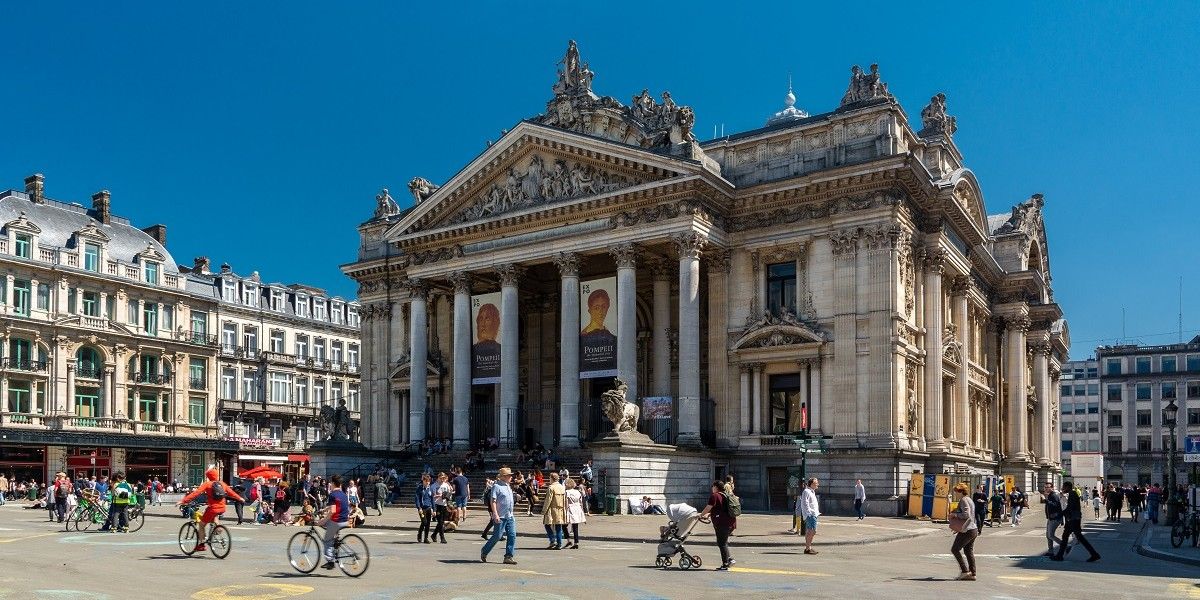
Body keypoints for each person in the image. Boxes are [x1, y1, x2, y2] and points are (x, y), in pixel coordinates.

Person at [178, 468, 244, 553]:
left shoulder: (207, 484)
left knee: (201, 524)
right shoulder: (222, 484)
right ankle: (218, 529)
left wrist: (184, 501)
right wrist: (240, 498)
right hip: (222, 507)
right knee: (215, 518)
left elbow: (196, 493)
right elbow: (231, 492)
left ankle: (202, 545)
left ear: (208, 476)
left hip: (213, 508)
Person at [1051, 479, 1100, 563]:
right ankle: (1060, 555)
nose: (1062, 488)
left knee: (1078, 537)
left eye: (1063, 487)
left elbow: (1071, 507)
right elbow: (1070, 507)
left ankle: (1094, 554)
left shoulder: (1072, 494)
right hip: (1072, 519)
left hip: (1073, 519)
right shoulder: (1072, 494)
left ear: (1067, 487)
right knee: (1066, 536)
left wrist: (1060, 514)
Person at [481, 467, 518, 565]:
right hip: (500, 516)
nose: (511, 477)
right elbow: (493, 501)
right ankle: (484, 551)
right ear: (504, 477)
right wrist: (495, 514)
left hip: (509, 515)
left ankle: (508, 556)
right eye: (509, 475)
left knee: (512, 535)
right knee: (497, 536)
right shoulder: (496, 486)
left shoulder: (508, 486)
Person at [699, 480, 737, 570]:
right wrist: (709, 515)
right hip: (731, 522)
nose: (712, 488)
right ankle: (729, 559)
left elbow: (709, 507)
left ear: (715, 487)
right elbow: (720, 509)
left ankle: (725, 564)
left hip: (722, 523)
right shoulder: (726, 495)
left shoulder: (715, 496)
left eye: (713, 486)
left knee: (721, 543)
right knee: (723, 542)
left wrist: (700, 515)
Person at [319, 475, 350, 570]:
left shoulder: (332, 494)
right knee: (330, 531)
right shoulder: (343, 494)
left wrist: (323, 520)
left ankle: (330, 561)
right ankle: (335, 543)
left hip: (337, 522)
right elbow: (337, 505)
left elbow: (333, 511)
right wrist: (325, 509)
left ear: (332, 483)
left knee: (327, 540)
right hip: (345, 520)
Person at [948, 482, 977, 581]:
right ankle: (972, 573)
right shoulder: (969, 499)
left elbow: (966, 515)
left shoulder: (963, 500)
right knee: (968, 551)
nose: (955, 493)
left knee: (955, 549)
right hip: (973, 529)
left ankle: (965, 571)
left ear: (960, 492)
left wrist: (955, 515)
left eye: (956, 491)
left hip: (967, 530)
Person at [1041, 482, 1069, 557]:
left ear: (1052, 488)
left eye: (1048, 487)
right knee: (1048, 535)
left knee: (1050, 535)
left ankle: (1065, 546)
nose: (1046, 488)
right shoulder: (1050, 495)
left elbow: (1055, 506)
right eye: (1045, 487)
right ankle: (1050, 551)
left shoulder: (1053, 495)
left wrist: (1045, 500)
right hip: (1051, 518)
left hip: (1055, 518)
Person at [541, 472, 567, 549]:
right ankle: (559, 544)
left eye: (549, 478)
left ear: (552, 478)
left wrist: (544, 510)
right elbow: (564, 499)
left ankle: (552, 539)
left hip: (551, 509)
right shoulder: (562, 487)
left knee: (547, 524)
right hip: (560, 509)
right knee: (558, 526)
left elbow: (548, 500)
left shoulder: (551, 487)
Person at [799, 477, 821, 555]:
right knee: (812, 531)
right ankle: (808, 548)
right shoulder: (807, 491)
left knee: (809, 531)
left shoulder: (811, 491)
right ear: (811, 484)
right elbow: (805, 504)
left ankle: (808, 548)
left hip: (813, 514)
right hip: (811, 515)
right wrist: (809, 514)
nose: (817, 484)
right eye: (816, 483)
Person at [564, 478, 586, 549]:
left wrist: (565, 510)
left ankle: (568, 540)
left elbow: (566, 503)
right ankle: (576, 542)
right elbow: (581, 502)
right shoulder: (577, 492)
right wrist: (582, 512)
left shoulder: (567, 492)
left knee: (564, 525)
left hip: (570, 508)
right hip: (577, 508)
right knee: (575, 527)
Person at [432, 472, 452, 543]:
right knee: (440, 522)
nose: (442, 479)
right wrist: (439, 495)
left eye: (444, 478)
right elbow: (433, 496)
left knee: (442, 522)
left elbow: (449, 494)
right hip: (437, 504)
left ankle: (434, 535)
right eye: (441, 478)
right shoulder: (434, 485)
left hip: (444, 504)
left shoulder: (446, 485)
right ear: (438, 478)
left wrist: (447, 498)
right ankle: (442, 538)